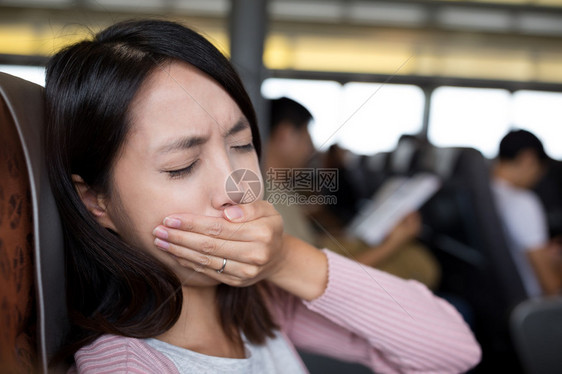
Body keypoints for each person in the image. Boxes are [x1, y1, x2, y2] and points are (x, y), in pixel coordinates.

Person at [45, 19, 480, 373]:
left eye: (241, 145)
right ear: (96, 202)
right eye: (182, 166)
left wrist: (285, 258)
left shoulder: (261, 303)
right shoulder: (126, 365)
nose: (238, 186)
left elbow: (454, 350)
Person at [264, 97, 440, 290]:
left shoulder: (276, 188)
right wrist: (393, 243)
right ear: (285, 134)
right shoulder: (271, 199)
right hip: (324, 285)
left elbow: (306, 247)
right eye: (307, 138)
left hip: (320, 262)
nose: (312, 149)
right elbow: (321, 282)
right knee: (420, 266)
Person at [492, 129, 562, 297]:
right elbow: (551, 286)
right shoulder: (522, 202)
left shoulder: (485, 194)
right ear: (528, 158)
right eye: (540, 169)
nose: (538, 178)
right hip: (534, 306)